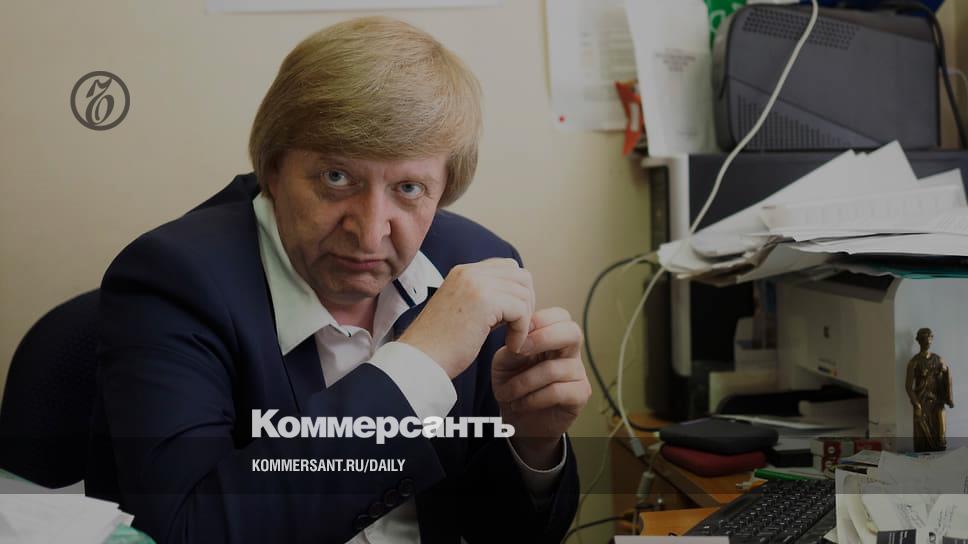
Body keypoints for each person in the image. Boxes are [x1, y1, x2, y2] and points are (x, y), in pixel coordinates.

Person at [86, 16, 590, 543]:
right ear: (273, 169)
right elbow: (188, 531)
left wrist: (532, 443)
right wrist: (419, 365)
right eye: (336, 178)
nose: (369, 233)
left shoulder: (476, 263)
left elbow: (506, 534)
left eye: (409, 188)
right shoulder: (171, 281)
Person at [905, 327, 954, 452]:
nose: (927, 342)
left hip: (936, 400)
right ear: (918, 341)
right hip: (921, 401)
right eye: (923, 339)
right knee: (922, 436)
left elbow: (947, 376)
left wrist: (949, 396)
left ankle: (940, 446)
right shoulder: (914, 362)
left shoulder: (938, 359)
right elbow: (908, 387)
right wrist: (916, 404)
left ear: (932, 339)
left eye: (929, 339)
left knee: (940, 422)